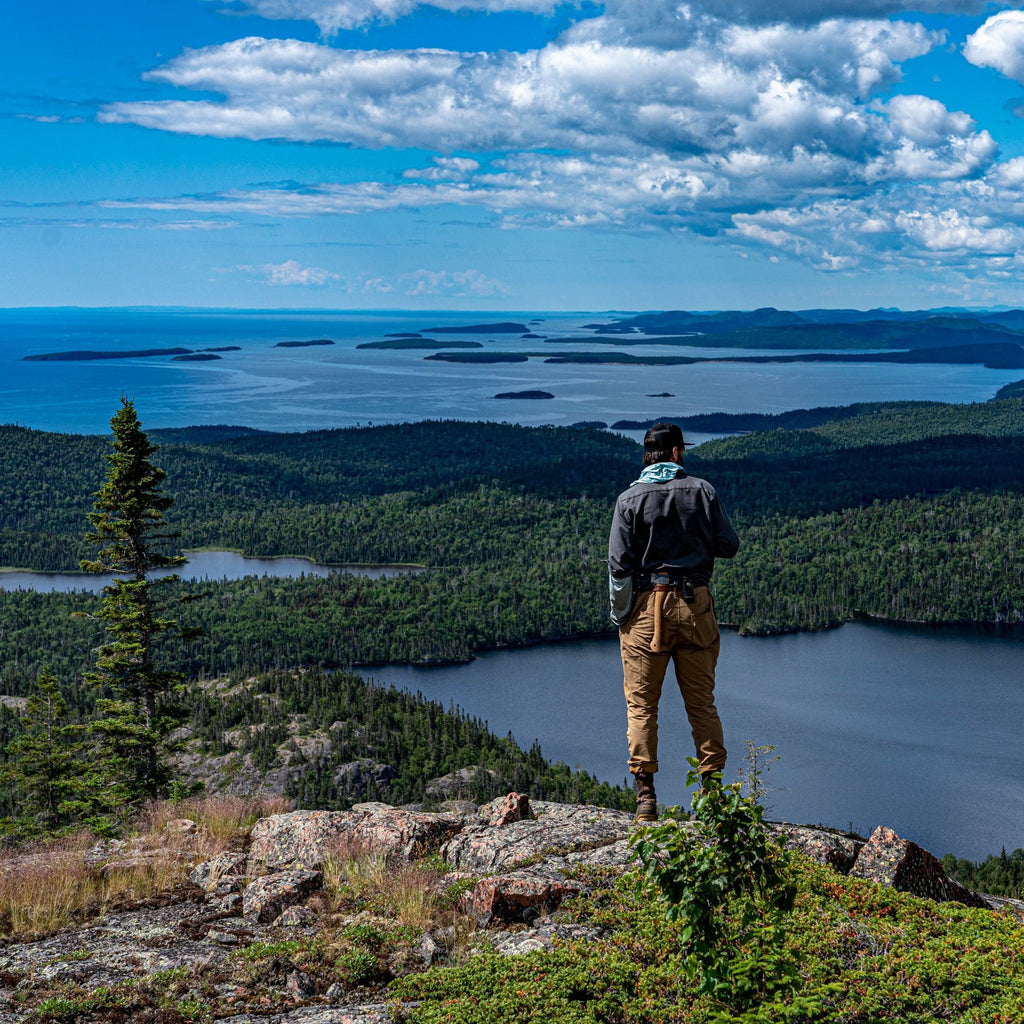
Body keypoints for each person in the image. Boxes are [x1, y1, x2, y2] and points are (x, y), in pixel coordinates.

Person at [608, 421, 740, 821]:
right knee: (701, 703)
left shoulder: (628, 500)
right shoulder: (702, 491)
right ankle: (713, 797)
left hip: (647, 608)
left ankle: (646, 799)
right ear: (678, 453)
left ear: (647, 456)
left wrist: (621, 616)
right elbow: (729, 546)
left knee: (642, 706)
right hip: (694, 605)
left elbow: (619, 568)